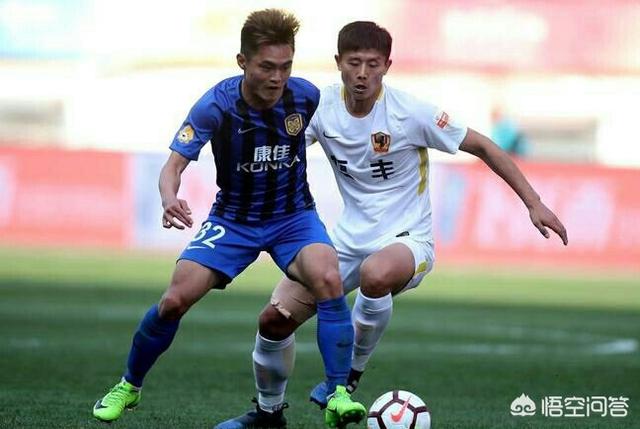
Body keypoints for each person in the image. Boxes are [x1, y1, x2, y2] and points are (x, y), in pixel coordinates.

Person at [214, 21, 568, 429]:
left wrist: (534, 203)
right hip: (346, 239)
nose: (362, 73)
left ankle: (348, 377)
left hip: (408, 240)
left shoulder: (410, 112)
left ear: (387, 66)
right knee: (273, 320)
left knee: (376, 273)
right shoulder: (319, 107)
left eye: (373, 64)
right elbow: (278, 144)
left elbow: (484, 146)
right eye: (354, 63)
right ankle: (268, 414)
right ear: (338, 63)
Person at [91, 9, 366, 428]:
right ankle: (129, 386)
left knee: (328, 278)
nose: (277, 77)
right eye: (267, 67)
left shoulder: (305, 97)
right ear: (242, 62)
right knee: (174, 300)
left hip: (293, 217)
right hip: (234, 220)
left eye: (286, 66)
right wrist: (169, 198)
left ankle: (338, 393)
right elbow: (173, 166)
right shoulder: (216, 105)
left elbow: (346, 127)